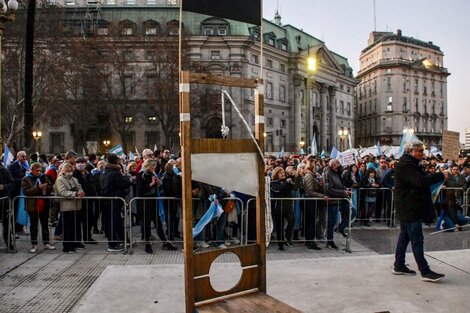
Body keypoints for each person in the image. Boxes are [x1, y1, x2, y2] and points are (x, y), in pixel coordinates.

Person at [393, 140, 447, 282]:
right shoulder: (406, 165)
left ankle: (399, 265)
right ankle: (425, 271)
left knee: (404, 237)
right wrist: (441, 175)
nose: (422, 154)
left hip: (409, 206)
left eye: (422, 151)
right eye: (419, 151)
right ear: (411, 151)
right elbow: (420, 181)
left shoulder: (410, 164)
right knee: (417, 240)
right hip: (410, 208)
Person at [136, 159, 177, 253]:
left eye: (154, 167)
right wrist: (151, 184)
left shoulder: (152, 174)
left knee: (158, 223)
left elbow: (156, 187)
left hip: (153, 202)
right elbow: (140, 191)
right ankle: (147, 244)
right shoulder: (140, 175)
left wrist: (157, 183)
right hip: (144, 203)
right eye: (151, 167)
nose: (153, 168)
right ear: (147, 166)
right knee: (147, 224)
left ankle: (165, 242)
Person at [100, 154, 132, 252]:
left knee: (113, 222)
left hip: (107, 200)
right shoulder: (115, 173)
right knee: (113, 222)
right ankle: (112, 244)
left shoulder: (104, 171)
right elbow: (124, 184)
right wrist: (126, 178)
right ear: (116, 161)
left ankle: (116, 241)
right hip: (114, 200)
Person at [22, 163, 55, 253]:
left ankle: (46, 242)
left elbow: (51, 186)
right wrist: (38, 188)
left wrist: (45, 188)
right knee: (34, 225)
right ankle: (34, 244)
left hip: (44, 203)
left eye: (40, 170)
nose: (39, 172)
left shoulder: (43, 176)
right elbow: (26, 192)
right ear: (32, 170)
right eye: (37, 170)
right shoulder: (26, 179)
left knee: (45, 224)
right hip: (32, 205)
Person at [55, 162, 85, 253]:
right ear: (63, 171)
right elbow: (62, 192)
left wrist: (81, 192)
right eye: (68, 170)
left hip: (76, 205)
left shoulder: (74, 179)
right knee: (67, 228)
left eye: (71, 170)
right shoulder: (60, 180)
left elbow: (79, 187)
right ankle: (67, 246)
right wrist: (75, 193)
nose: (70, 172)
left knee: (75, 226)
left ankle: (75, 243)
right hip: (67, 206)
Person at [270, 167, 296, 251]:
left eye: (283, 173)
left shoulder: (287, 181)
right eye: (281, 173)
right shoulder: (273, 183)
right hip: (278, 207)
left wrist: (292, 181)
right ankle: (280, 244)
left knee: (292, 220)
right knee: (279, 227)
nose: (283, 174)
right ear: (276, 174)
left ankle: (287, 236)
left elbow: (295, 188)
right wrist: (286, 183)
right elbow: (277, 190)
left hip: (288, 206)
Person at [0, 162, 15, 250]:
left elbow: (12, 184)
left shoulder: (4, 171)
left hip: (4, 202)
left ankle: (9, 243)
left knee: (6, 224)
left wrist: (4, 186)